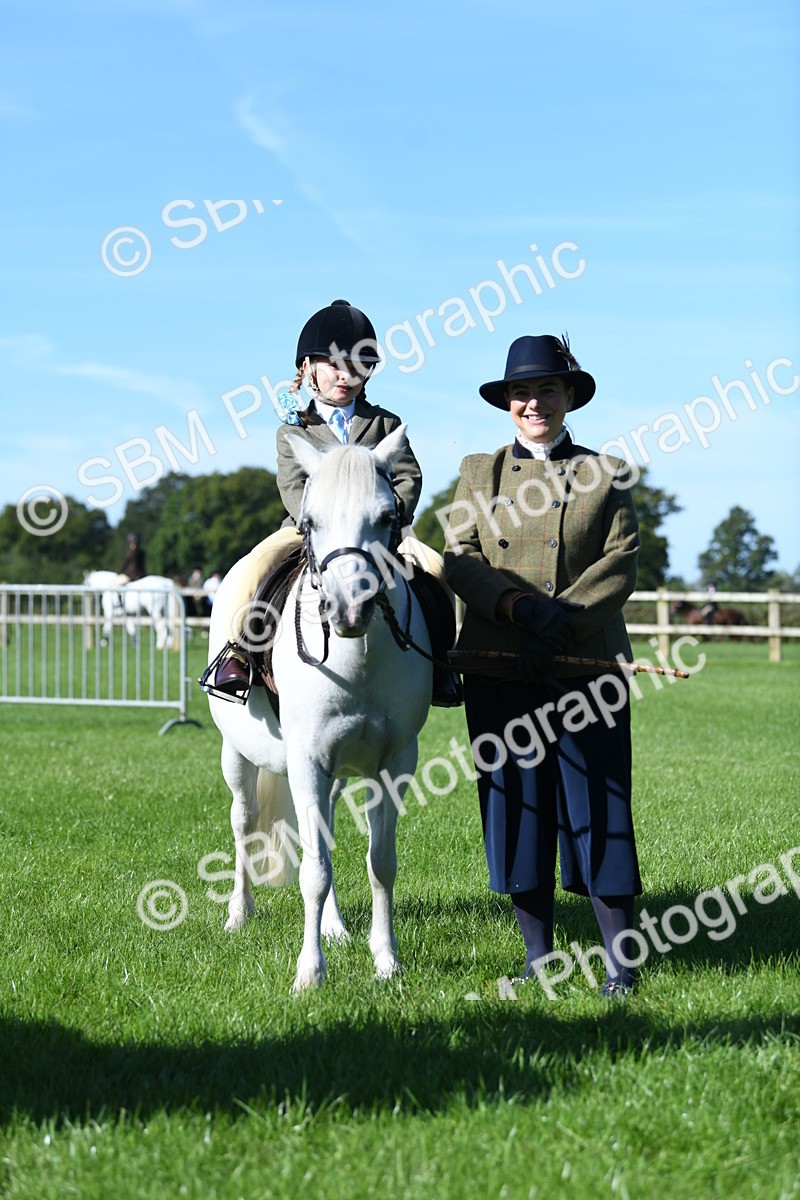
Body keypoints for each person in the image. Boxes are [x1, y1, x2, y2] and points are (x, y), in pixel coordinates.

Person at [444, 334, 642, 998]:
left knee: (602, 807)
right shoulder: (479, 472)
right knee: (517, 808)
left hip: (587, 667)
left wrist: (560, 622)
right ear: (507, 403)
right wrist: (518, 611)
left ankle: (622, 967)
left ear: (569, 398)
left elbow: (620, 564)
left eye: (547, 391)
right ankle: (540, 961)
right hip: (499, 663)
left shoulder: (605, 473)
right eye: (522, 393)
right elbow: (460, 556)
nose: (535, 403)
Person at [200, 299, 462, 707]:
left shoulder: (385, 423)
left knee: (436, 567)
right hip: (308, 531)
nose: (346, 376)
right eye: (335, 365)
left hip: (380, 531)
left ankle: (443, 666)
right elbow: (291, 485)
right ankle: (239, 654)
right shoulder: (294, 430)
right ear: (308, 368)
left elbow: (409, 476)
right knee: (253, 567)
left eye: (358, 367)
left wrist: (387, 515)